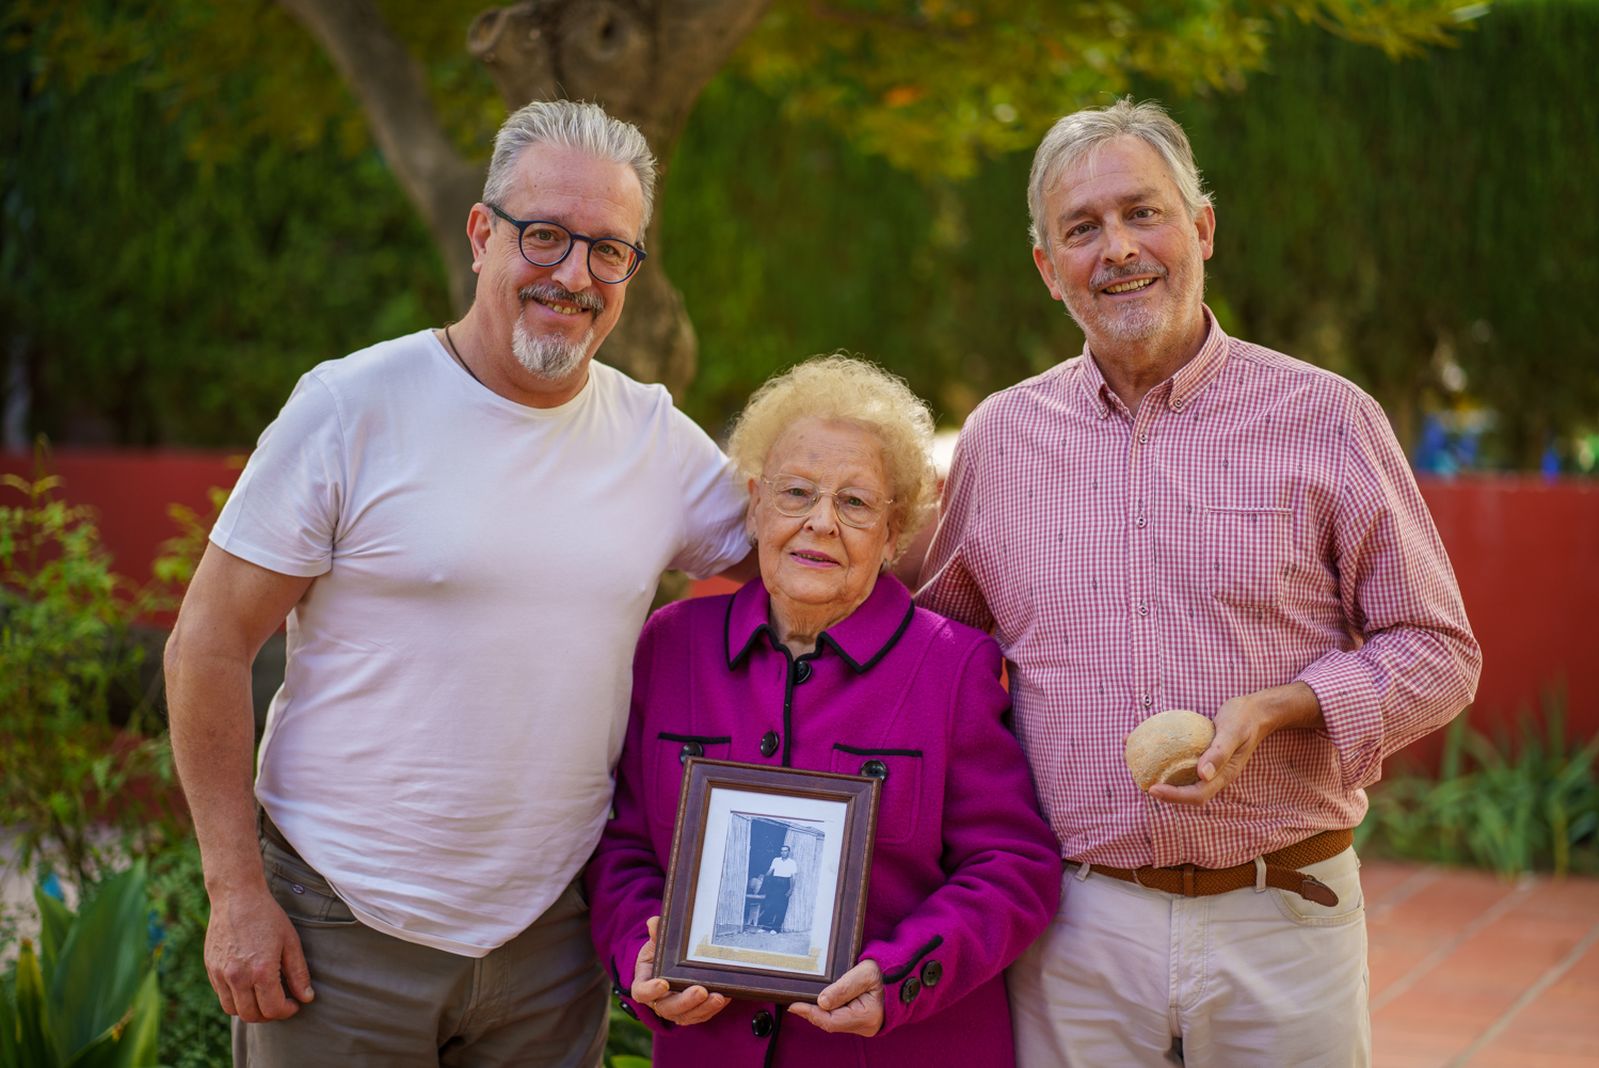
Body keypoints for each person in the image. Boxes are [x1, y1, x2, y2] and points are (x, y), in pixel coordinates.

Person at [163, 100, 752, 1066]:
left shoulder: (654, 439)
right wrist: (234, 893)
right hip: (338, 930)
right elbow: (209, 643)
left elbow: (818, 554)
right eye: (546, 236)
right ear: (483, 235)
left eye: (610, 251)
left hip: (550, 939)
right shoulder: (353, 406)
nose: (573, 275)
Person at [917, 98, 1482, 1067]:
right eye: (1082, 230)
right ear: (1049, 272)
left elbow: (1439, 653)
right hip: (1073, 927)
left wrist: (1285, 706)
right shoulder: (1001, 441)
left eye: (1143, 212)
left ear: (1202, 229)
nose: (1119, 248)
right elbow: (937, 653)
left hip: (1283, 914)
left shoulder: (1325, 417)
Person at [586, 356, 1062, 1067]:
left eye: (856, 503)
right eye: (797, 493)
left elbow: (1012, 867)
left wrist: (900, 975)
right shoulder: (672, 645)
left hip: (899, 1049)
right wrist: (642, 951)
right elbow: (622, 847)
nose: (820, 524)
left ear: (894, 530)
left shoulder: (953, 666)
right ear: (755, 502)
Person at [761, 845, 798, 932]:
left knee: (781, 907)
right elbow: (770, 871)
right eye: (782, 851)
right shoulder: (776, 860)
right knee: (769, 905)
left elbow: (793, 877)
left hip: (784, 884)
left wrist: (791, 889)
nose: (783, 852)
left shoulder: (792, 863)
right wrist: (763, 877)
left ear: (788, 852)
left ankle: (776, 929)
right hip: (774, 883)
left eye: (785, 851)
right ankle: (765, 927)